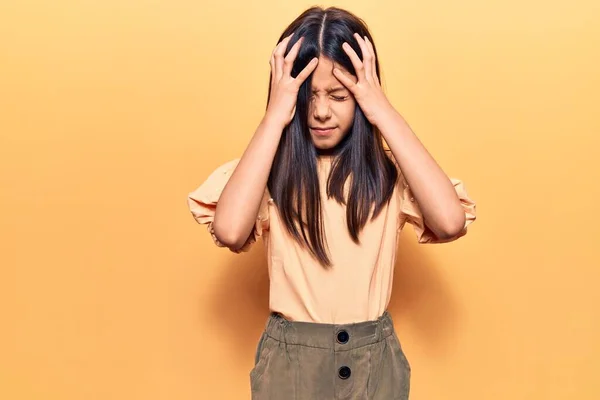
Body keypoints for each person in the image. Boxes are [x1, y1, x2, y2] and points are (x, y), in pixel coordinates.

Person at [187, 6, 476, 400]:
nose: (321, 111)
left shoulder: (387, 175)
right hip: (291, 367)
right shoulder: (269, 171)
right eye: (308, 96)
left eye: (339, 95)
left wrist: (380, 109)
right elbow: (231, 230)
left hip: (374, 365)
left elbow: (449, 221)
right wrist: (276, 114)